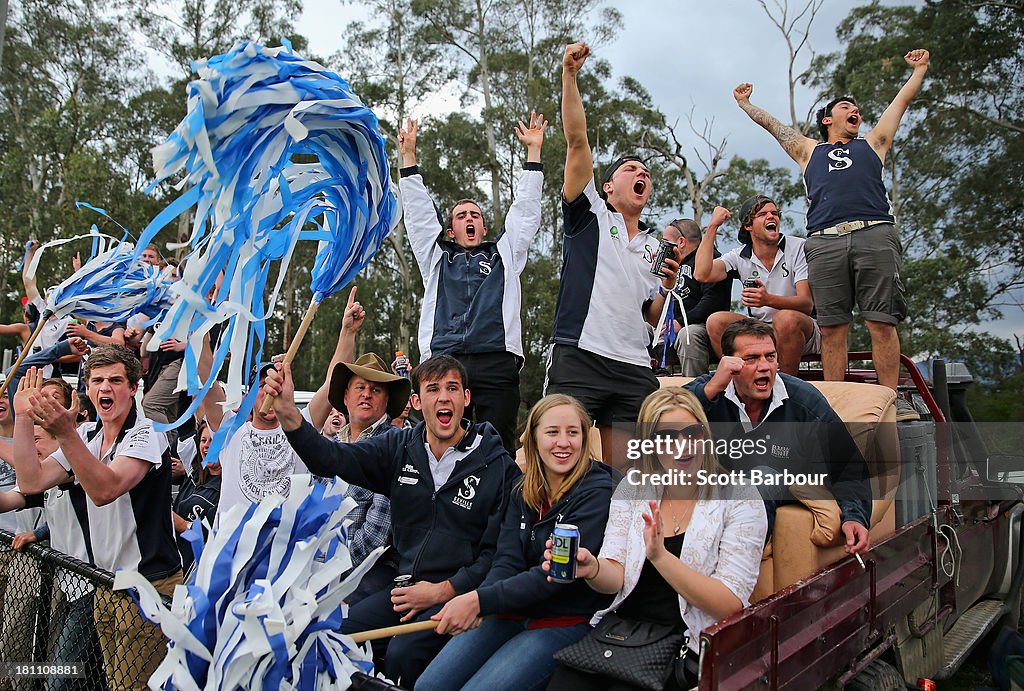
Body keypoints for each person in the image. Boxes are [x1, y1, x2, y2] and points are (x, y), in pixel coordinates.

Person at [266, 354, 520, 687]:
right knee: (334, 633)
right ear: (416, 401)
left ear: (466, 398)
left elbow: (497, 554)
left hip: (460, 595)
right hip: (404, 591)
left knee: (404, 652)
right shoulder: (399, 447)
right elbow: (331, 459)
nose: (443, 397)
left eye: (453, 388)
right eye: (433, 389)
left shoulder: (497, 465)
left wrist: (444, 590)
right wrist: (288, 414)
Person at [733, 50, 930, 415]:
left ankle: (887, 402)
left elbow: (901, 102)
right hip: (824, 240)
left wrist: (919, 71)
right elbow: (775, 128)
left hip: (874, 232)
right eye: (845, 107)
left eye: (855, 109)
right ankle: (836, 404)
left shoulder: (873, 143)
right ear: (827, 119)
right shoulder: (809, 151)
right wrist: (747, 104)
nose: (853, 111)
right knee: (834, 326)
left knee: (880, 322)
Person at [544, 387, 766, 690]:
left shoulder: (739, 497)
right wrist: (593, 568)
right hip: (624, 633)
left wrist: (661, 557)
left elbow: (728, 604)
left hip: (688, 643)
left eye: (692, 433)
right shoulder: (634, 488)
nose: (682, 446)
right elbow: (615, 576)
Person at [416, 394, 616, 691]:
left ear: (584, 438)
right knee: (428, 686)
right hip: (511, 610)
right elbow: (506, 559)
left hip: (564, 620)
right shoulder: (522, 488)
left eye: (573, 432)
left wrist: (478, 600)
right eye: (552, 432)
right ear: (534, 438)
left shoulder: (598, 491)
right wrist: (483, 603)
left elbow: (552, 578)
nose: (563, 442)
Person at [11, 347, 181, 691]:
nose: (106, 388)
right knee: (110, 682)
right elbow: (31, 481)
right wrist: (23, 419)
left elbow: (105, 490)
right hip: (104, 582)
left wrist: (66, 434)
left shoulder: (147, 435)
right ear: (86, 388)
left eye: (116, 380)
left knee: (131, 686)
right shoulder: (88, 436)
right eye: (98, 380)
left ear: (134, 387)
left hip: (147, 584)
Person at [547, 42, 680, 464]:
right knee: (560, 468)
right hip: (580, 356)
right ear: (607, 187)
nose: (642, 174)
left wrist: (668, 287)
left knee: (629, 482)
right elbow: (576, 141)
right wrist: (570, 76)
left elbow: (652, 315)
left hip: (633, 367)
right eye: (630, 170)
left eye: (647, 173)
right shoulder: (589, 215)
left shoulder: (657, 246)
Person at [397, 112, 548, 452]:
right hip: (444, 360)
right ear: (450, 230)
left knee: (497, 450)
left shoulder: (505, 254)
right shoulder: (436, 257)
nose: (469, 219)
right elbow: (419, 216)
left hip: (496, 361)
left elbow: (525, 211)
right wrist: (408, 159)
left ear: (483, 227)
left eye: (475, 215)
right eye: (461, 215)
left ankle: (499, 504)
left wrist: (533, 155)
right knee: (442, 448)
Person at [684, 318, 872, 550]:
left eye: (770, 357)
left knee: (762, 476)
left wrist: (855, 516)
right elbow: (660, 423)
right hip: (714, 488)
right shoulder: (710, 389)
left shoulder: (804, 401)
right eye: (751, 359)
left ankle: (731, 569)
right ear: (729, 364)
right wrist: (711, 389)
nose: (764, 366)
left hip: (775, 487)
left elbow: (847, 464)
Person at [694, 199, 818, 375]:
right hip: (763, 330)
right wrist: (713, 226)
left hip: (802, 330)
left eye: (774, 213)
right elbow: (701, 274)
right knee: (716, 321)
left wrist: (768, 300)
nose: (771, 216)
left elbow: (807, 304)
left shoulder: (797, 247)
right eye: (763, 214)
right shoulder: (739, 256)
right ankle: (740, 382)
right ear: (748, 226)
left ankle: (788, 387)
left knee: (785, 319)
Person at [650, 218, 732, 376]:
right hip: (671, 328)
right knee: (641, 330)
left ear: (681, 242)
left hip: (702, 329)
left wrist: (680, 322)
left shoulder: (710, 258)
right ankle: (645, 387)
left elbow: (712, 301)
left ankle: (695, 393)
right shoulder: (671, 263)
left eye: (666, 241)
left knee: (689, 334)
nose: (662, 246)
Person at [172, 421, 220, 574]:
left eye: (212, 440)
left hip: (199, 572)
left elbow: (207, 537)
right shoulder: (194, 476)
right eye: (203, 440)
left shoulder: (227, 488)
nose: (206, 445)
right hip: (176, 561)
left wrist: (179, 523)